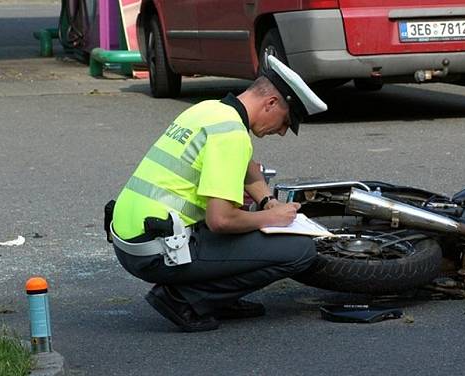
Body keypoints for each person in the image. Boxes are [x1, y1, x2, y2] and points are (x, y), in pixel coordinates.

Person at [107, 56, 328, 332]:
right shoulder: (233, 136)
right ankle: (184, 298)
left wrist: (267, 201)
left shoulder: (210, 110)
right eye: (286, 121)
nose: (282, 132)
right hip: (157, 254)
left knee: (249, 219)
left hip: (131, 240)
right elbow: (221, 221)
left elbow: (248, 170)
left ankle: (219, 298)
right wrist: (271, 218)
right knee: (299, 251)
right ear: (271, 103)